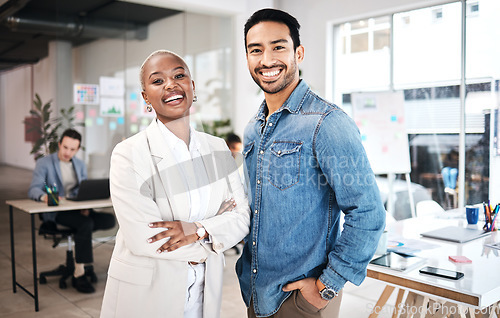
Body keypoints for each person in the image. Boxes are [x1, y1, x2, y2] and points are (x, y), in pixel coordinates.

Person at [236, 8, 386, 318]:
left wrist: (325, 288)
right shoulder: (253, 129)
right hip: (255, 292)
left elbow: (368, 213)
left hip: (301, 300)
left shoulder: (327, 123)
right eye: (256, 50)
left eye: (278, 46)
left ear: (298, 53)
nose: (266, 60)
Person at [100, 50, 250, 318]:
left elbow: (241, 218)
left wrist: (199, 230)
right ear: (145, 96)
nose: (170, 85)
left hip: (204, 292)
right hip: (149, 293)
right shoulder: (129, 153)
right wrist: (214, 234)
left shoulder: (216, 148)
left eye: (179, 76)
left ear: (192, 87)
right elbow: (145, 238)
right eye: (157, 81)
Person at [28, 128, 116, 294]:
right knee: (85, 224)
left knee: (109, 220)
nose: (68, 152)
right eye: (65, 147)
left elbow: (83, 190)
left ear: (78, 149)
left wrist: (85, 206)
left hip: (77, 208)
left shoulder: (80, 165)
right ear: (59, 144)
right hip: (57, 212)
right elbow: (33, 189)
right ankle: (79, 273)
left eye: (72, 149)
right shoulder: (44, 163)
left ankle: (80, 259)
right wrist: (43, 197)